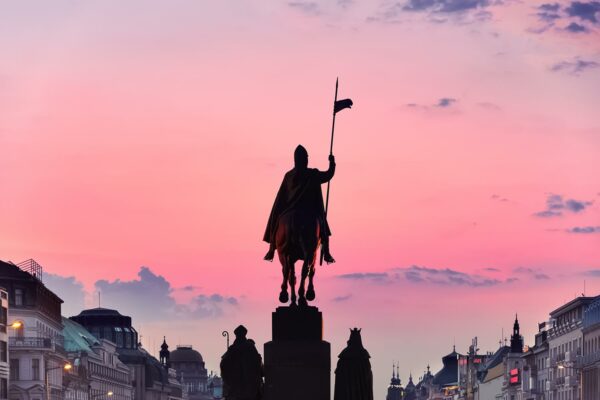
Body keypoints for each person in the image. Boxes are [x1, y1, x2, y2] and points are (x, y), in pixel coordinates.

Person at [263, 145, 336, 264]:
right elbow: (328, 175)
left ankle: (272, 248)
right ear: (303, 159)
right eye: (306, 157)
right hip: (309, 210)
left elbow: (281, 198)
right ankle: (326, 252)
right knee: (322, 224)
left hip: (289, 210)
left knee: (277, 218)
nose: (307, 160)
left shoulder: (288, 175)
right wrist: (332, 163)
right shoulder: (313, 174)